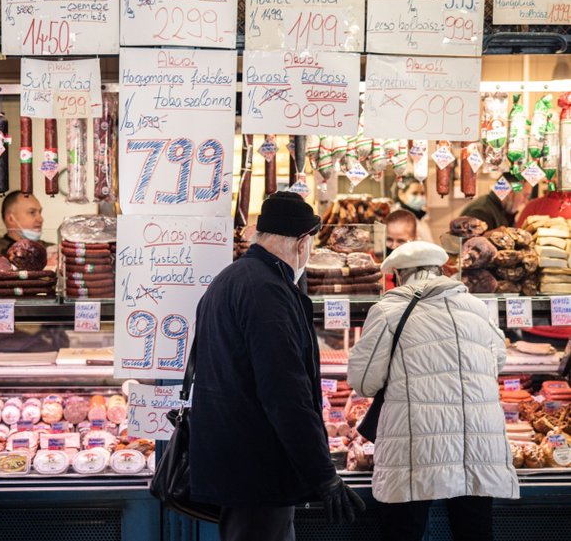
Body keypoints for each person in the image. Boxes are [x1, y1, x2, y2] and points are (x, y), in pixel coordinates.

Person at [190, 192, 365, 541]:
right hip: (258, 467)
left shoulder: (232, 278)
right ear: (302, 241)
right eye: (311, 242)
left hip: (237, 459)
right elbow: (284, 392)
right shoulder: (267, 291)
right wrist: (323, 475)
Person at [347, 241, 519, 541]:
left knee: (404, 531)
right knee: (475, 533)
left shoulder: (389, 310)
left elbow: (364, 382)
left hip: (416, 445)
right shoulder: (477, 308)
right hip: (477, 442)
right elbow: (498, 362)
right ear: (442, 271)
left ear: (399, 275)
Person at [460, 172, 531, 230]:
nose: (526, 201)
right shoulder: (480, 212)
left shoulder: (503, 211)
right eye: (525, 196)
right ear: (510, 192)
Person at [393, 178, 434, 243]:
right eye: (414, 193)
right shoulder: (398, 220)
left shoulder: (420, 216)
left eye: (422, 193)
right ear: (401, 194)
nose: (420, 197)